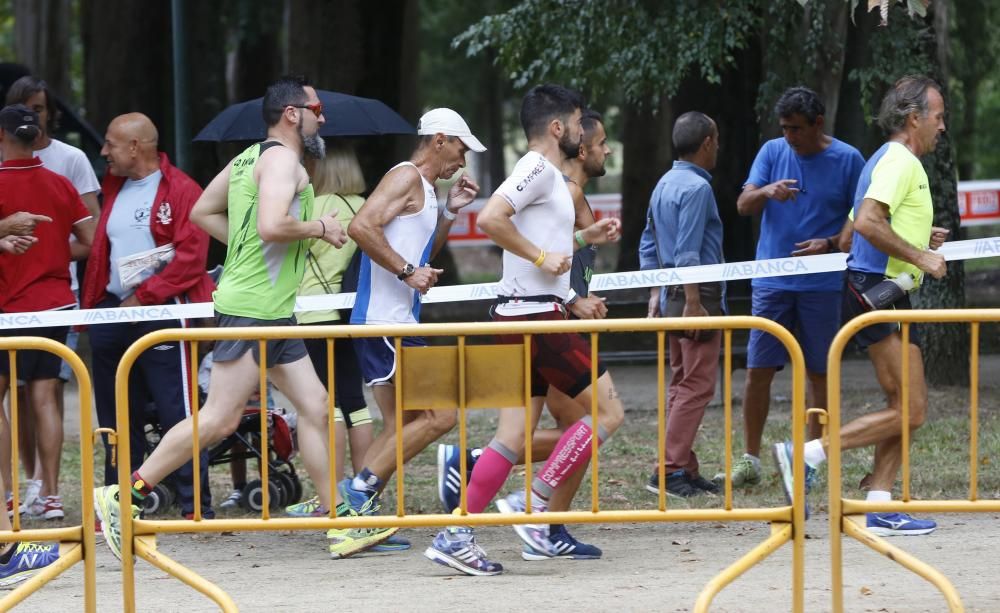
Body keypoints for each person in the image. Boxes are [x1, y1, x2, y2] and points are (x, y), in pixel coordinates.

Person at [93, 75, 396, 561]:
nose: (324, 117)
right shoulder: (283, 163)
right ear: (292, 114)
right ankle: (124, 493)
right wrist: (322, 227)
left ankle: (339, 520)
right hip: (255, 310)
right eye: (317, 108)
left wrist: (250, 244)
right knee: (218, 418)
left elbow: (203, 214)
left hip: (270, 311)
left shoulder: (248, 159)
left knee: (317, 407)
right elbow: (272, 225)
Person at [424, 84, 622, 576]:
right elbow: (493, 218)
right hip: (535, 318)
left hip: (521, 314)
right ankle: (533, 502)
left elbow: (539, 244)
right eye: (578, 123)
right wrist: (542, 257)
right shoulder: (536, 168)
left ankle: (456, 534)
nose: (583, 131)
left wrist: (581, 238)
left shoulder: (548, 176)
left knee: (511, 437)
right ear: (558, 128)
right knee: (608, 413)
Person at [775, 75, 949, 536]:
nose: (942, 126)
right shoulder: (900, 161)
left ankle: (878, 502)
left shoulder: (880, 159)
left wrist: (915, 236)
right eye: (939, 116)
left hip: (877, 288)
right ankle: (807, 454)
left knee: (904, 403)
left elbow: (853, 231)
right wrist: (920, 255)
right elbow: (870, 221)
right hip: (877, 289)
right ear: (915, 118)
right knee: (911, 408)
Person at [339, 108, 484, 525]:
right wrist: (406, 271)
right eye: (460, 148)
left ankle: (359, 519)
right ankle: (357, 493)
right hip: (386, 323)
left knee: (399, 425)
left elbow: (423, 256)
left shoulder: (425, 187)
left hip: (393, 321)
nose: (463, 160)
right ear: (439, 140)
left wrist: (452, 211)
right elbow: (361, 227)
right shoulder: (404, 176)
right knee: (440, 416)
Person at [81, 112, 215, 520]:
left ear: (135, 147)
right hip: (113, 313)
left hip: (163, 314)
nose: (103, 152)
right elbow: (101, 254)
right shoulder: (113, 188)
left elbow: (192, 258)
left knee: (179, 411)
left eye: (110, 144)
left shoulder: (183, 190)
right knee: (116, 413)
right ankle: (118, 504)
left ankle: (197, 507)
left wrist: (145, 296)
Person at [730, 86, 865, 488]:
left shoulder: (848, 159)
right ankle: (749, 459)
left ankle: (809, 459)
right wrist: (765, 191)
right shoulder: (772, 152)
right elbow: (742, 204)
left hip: (822, 284)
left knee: (819, 373)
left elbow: (862, 214)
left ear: (818, 123)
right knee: (758, 371)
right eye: (785, 128)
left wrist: (829, 241)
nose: (790, 136)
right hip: (772, 281)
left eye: (797, 129)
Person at [5, 75, 102, 519]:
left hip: (7, 308)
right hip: (56, 302)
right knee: (45, 397)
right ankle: (50, 495)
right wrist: (51, 251)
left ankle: (8, 492)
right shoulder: (60, 182)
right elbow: (89, 239)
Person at [639, 111, 725, 498]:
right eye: (717, 140)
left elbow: (648, 242)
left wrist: (656, 290)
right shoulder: (697, 188)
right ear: (707, 142)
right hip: (696, 296)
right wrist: (693, 302)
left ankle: (683, 466)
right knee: (698, 385)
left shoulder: (663, 184)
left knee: (681, 382)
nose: (719, 147)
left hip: (671, 293)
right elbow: (688, 252)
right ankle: (670, 469)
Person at [294, 141, 374, 497]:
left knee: (330, 406)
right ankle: (363, 486)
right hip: (351, 315)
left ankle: (334, 492)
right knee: (355, 401)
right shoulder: (364, 207)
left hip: (313, 314)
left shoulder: (312, 207)